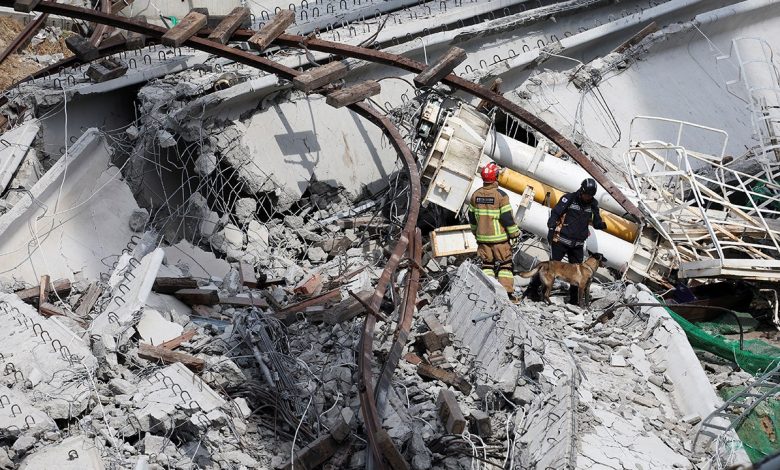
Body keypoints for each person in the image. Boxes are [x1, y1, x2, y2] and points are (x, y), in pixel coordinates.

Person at [524, 178, 607, 304]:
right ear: (581, 191)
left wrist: (600, 224)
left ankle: (574, 300)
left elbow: (596, 221)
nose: (588, 197)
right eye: (586, 195)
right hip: (561, 241)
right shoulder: (569, 198)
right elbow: (556, 212)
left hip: (577, 245)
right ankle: (533, 291)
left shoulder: (593, 204)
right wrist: (551, 226)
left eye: (590, 195)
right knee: (549, 268)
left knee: (577, 274)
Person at [468, 163, 521, 295]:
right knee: (505, 265)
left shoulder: (475, 195)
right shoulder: (501, 195)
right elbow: (507, 218)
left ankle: (488, 292)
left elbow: (472, 218)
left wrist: (476, 234)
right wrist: (514, 234)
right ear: (496, 177)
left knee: (487, 265)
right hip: (499, 240)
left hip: (482, 239)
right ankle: (506, 293)